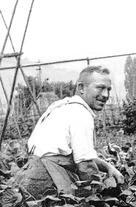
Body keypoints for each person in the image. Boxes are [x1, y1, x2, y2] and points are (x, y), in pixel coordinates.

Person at [10, 65, 124, 198]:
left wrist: (108, 167)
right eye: (100, 88)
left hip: (25, 176)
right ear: (81, 88)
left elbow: (67, 152)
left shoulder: (60, 106)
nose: (105, 95)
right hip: (45, 182)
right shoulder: (81, 113)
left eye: (108, 89)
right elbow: (85, 164)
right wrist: (97, 198)